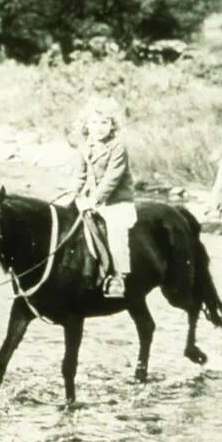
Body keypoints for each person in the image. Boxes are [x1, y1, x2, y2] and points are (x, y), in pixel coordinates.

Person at [71, 97, 137, 298]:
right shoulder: (85, 146)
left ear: (112, 125)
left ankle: (119, 276)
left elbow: (112, 178)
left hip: (116, 202)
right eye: (94, 123)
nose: (98, 128)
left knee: (116, 232)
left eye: (104, 123)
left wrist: (94, 200)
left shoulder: (117, 146)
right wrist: (73, 193)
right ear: (86, 125)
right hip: (91, 198)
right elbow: (80, 175)